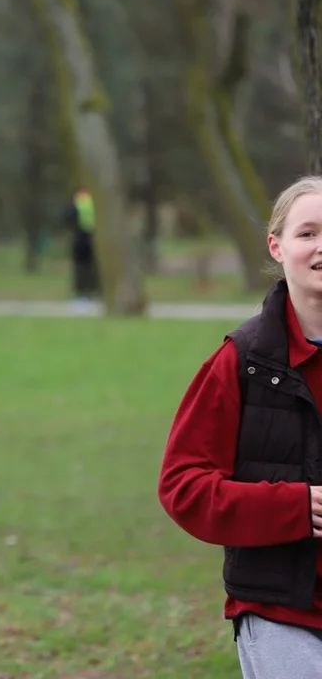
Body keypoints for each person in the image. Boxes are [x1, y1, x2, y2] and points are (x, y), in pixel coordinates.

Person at [158, 175, 322, 678]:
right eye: (308, 233)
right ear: (276, 246)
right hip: (281, 611)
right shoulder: (241, 360)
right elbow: (182, 487)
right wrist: (297, 506)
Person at [62, 187, 99, 307]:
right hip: (93, 238)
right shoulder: (95, 204)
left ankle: (81, 293)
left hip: (80, 238)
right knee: (93, 267)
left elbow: (66, 218)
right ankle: (94, 292)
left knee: (80, 267)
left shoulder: (77, 203)